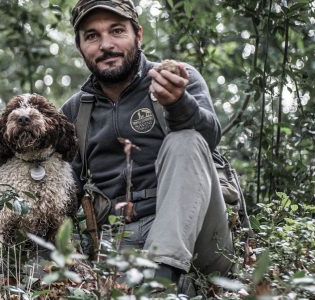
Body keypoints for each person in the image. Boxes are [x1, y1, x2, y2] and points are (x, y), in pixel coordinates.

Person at [61, 0, 234, 291]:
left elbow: (209, 138)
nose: (106, 44)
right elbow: (65, 193)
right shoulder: (75, 112)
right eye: (92, 36)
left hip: (203, 240)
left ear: (138, 35)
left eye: (117, 31)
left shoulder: (177, 79)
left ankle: (159, 282)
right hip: (119, 249)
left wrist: (179, 104)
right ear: (80, 46)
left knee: (186, 139)